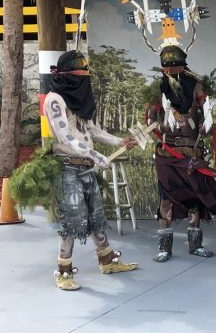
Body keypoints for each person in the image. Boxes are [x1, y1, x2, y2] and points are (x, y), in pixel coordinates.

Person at [44, 50, 138, 291]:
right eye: (80, 76)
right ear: (69, 77)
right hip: (67, 167)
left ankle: (107, 261)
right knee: (72, 219)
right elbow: (64, 136)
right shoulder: (55, 99)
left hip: (85, 166)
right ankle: (64, 271)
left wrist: (119, 142)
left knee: (96, 215)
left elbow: (92, 130)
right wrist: (96, 155)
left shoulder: (78, 101)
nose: (84, 81)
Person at [147, 45, 216, 262]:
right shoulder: (158, 90)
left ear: (184, 67)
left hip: (192, 153)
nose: (172, 73)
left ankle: (195, 246)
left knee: (195, 198)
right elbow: (150, 118)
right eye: (168, 70)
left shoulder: (196, 88)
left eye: (176, 69)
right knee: (166, 200)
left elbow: (207, 114)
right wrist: (154, 122)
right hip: (169, 154)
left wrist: (206, 124)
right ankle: (164, 248)